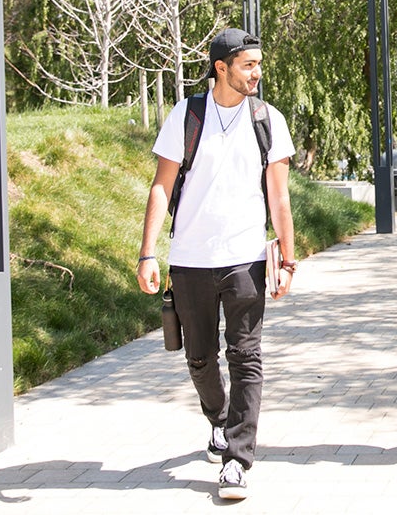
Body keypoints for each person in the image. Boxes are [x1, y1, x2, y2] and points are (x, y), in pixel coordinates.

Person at [136, 28, 297, 501]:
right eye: (249, 65)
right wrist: (148, 253)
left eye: (258, 65)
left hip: (246, 259)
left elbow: (280, 196)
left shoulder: (268, 119)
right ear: (221, 67)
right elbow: (161, 186)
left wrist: (288, 259)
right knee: (200, 358)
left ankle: (237, 459)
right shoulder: (186, 116)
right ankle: (220, 419)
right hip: (189, 259)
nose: (257, 73)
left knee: (246, 357)